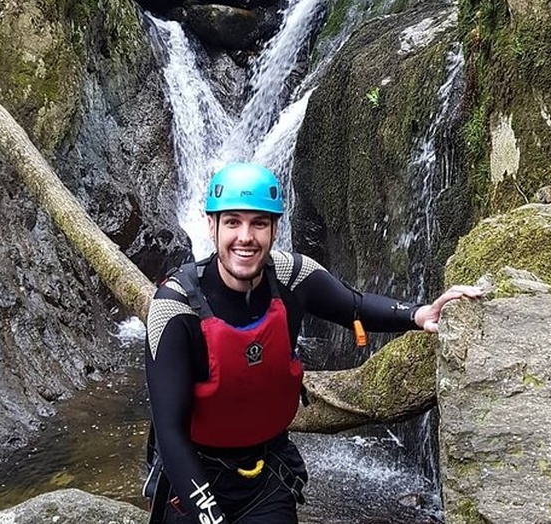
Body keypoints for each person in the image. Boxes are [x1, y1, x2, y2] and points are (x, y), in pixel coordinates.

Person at [143, 162, 482, 523]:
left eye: (259, 223)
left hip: (266, 475)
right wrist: (210, 516)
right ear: (212, 226)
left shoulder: (294, 275)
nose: (246, 237)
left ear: (275, 229)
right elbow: (170, 433)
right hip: (193, 476)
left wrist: (418, 314)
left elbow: (356, 306)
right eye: (233, 222)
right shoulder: (175, 308)